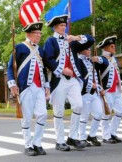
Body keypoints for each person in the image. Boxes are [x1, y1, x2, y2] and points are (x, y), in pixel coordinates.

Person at [43, 14, 92, 151]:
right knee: (59, 111)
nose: (64, 28)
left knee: (78, 105)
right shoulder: (50, 41)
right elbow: (48, 59)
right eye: (61, 26)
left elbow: (90, 40)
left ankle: (72, 137)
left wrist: (75, 37)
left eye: (65, 26)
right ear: (55, 27)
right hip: (59, 79)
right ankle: (59, 141)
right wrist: (62, 70)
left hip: (74, 80)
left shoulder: (71, 41)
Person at [7, 21, 50, 156]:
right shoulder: (19, 47)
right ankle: (28, 145)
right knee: (26, 117)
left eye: (39, 33)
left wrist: (47, 86)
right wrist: (12, 84)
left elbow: (43, 70)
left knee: (42, 114)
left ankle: (37, 143)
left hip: (40, 87)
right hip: (25, 87)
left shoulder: (40, 50)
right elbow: (10, 67)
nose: (38, 35)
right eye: (35, 33)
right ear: (28, 34)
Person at [92, 35, 122, 144]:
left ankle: (112, 133)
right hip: (107, 90)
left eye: (114, 46)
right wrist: (99, 88)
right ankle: (106, 136)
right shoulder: (102, 58)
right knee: (106, 113)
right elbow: (96, 69)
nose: (114, 48)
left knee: (120, 111)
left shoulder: (114, 59)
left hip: (117, 89)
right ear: (105, 48)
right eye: (112, 46)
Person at [77, 45, 104, 147]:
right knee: (84, 117)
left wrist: (98, 87)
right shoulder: (78, 61)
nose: (89, 51)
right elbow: (79, 77)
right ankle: (82, 138)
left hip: (94, 92)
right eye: (87, 49)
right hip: (84, 92)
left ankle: (92, 135)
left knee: (98, 114)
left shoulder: (91, 61)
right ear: (81, 50)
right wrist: (91, 85)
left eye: (89, 49)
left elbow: (102, 66)